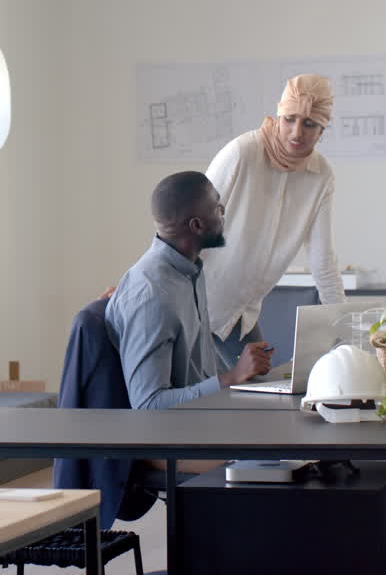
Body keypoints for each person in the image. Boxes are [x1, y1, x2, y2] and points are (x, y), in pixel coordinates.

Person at [203, 73, 346, 370]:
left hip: (242, 313)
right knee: (202, 400)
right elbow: (185, 226)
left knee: (262, 392)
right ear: (277, 116)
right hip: (198, 304)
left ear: (322, 130)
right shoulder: (242, 153)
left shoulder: (321, 176)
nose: (296, 133)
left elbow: (323, 262)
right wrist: (145, 283)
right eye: (289, 119)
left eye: (309, 124)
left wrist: (343, 328)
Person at [105, 171, 273, 411]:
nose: (223, 214)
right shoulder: (151, 297)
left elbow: (197, 375)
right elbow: (147, 405)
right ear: (197, 225)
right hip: (178, 437)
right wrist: (232, 377)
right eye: (218, 209)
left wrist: (247, 367)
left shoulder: (189, 272)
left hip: (204, 418)